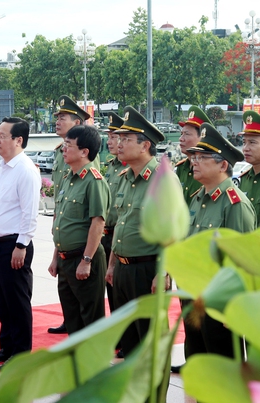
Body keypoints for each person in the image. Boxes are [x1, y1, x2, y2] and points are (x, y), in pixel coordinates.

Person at [183, 122, 255, 359]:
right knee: (199, 363)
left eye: (203, 157)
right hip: (193, 298)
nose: (194, 161)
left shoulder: (235, 203)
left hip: (218, 303)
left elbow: (242, 262)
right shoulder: (198, 198)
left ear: (223, 164)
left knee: (223, 372)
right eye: (194, 156)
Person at [105, 106, 167, 356]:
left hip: (147, 269)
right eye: (119, 139)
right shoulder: (124, 176)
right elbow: (121, 223)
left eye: (126, 139)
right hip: (121, 268)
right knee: (129, 341)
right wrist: (111, 265)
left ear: (144, 146)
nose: (119, 144)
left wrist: (163, 274)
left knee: (149, 341)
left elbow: (170, 234)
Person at [0, 117, 40, 369]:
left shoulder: (26, 169)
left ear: (19, 140)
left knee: (17, 302)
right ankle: (6, 347)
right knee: (3, 302)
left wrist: (21, 245)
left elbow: (30, 212)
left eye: (2, 135)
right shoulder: (3, 167)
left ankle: (21, 354)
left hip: (14, 245)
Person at [48, 125, 110, 335]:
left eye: (68, 145)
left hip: (83, 259)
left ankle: (95, 365)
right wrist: (56, 257)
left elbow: (98, 223)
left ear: (84, 152)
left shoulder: (94, 181)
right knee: (72, 317)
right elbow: (63, 222)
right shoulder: (68, 178)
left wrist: (87, 260)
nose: (63, 149)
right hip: (66, 260)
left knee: (90, 318)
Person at [47, 95, 90, 335]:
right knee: (65, 282)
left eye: (63, 118)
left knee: (85, 292)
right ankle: (69, 319)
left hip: (80, 224)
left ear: (77, 122)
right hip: (63, 217)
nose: (57, 122)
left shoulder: (88, 152)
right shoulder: (59, 152)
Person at [101, 112, 124, 317]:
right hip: (106, 235)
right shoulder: (110, 166)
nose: (110, 141)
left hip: (121, 236)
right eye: (108, 137)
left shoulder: (128, 169)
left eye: (114, 137)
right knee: (112, 290)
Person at [176, 106, 212, 205]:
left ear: (202, 137)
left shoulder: (209, 168)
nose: (181, 139)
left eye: (186, 134)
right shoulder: (181, 168)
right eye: (181, 134)